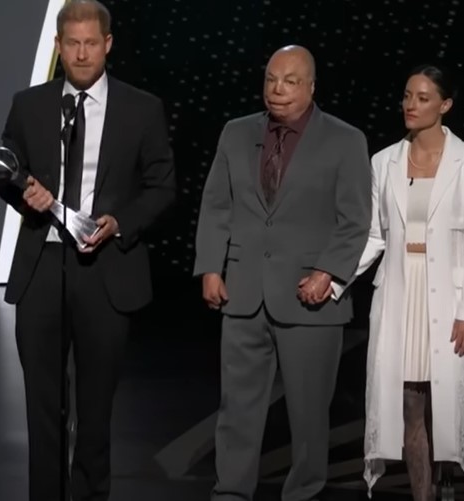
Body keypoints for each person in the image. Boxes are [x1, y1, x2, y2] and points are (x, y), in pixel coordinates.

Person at [0, 1, 175, 499]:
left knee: (95, 410)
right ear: (57, 46)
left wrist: (121, 223)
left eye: (91, 43)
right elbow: (7, 167)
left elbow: (161, 186)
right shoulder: (29, 104)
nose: (82, 53)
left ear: (108, 44)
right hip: (43, 267)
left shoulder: (142, 108)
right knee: (44, 408)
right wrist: (21, 190)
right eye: (72, 43)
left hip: (106, 269)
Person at [194, 45, 372, 501]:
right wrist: (211, 267)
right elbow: (217, 206)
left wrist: (328, 274)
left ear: (312, 87)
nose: (278, 89)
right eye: (272, 79)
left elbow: (355, 220)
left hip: (307, 297)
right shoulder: (236, 134)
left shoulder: (346, 140)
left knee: (309, 413)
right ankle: (230, 491)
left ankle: (304, 492)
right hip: (243, 291)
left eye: (291, 81)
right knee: (237, 406)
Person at [346, 64, 464, 501]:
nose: (411, 105)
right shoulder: (384, 161)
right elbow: (374, 235)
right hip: (399, 294)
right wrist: (333, 279)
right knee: (409, 404)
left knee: (446, 402)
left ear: (445, 105)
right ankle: (421, 494)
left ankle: (449, 477)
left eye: (423, 97)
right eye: (408, 95)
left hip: (448, 297)